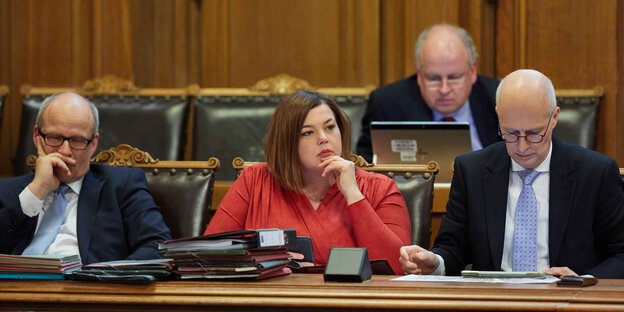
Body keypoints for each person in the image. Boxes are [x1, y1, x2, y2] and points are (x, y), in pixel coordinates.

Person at [399, 69, 624, 278]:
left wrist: (583, 281)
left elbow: (620, 254)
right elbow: (453, 248)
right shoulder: (472, 171)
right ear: (498, 116)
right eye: (511, 133)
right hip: (494, 301)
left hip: (567, 301)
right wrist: (435, 263)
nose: (522, 147)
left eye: (535, 134)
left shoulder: (595, 173)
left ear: (554, 118)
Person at [205, 90, 412, 274]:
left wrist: (353, 195)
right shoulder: (254, 182)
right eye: (307, 132)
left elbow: (398, 266)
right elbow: (209, 258)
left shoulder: (380, 188)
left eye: (330, 127)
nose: (323, 138)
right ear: (287, 143)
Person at [0, 92, 171, 264]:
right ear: (37, 136)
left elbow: (157, 246)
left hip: (91, 288)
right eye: (55, 138)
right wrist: (37, 190)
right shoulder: (6, 192)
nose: (65, 151)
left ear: (93, 143)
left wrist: (108, 278)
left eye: (77, 140)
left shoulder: (121, 185)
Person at [356, 24, 500, 162]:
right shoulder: (387, 104)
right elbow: (365, 168)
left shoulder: (499, 100)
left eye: (454, 78)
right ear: (419, 74)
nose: (444, 90)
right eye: (433, 79)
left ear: (473, 70)